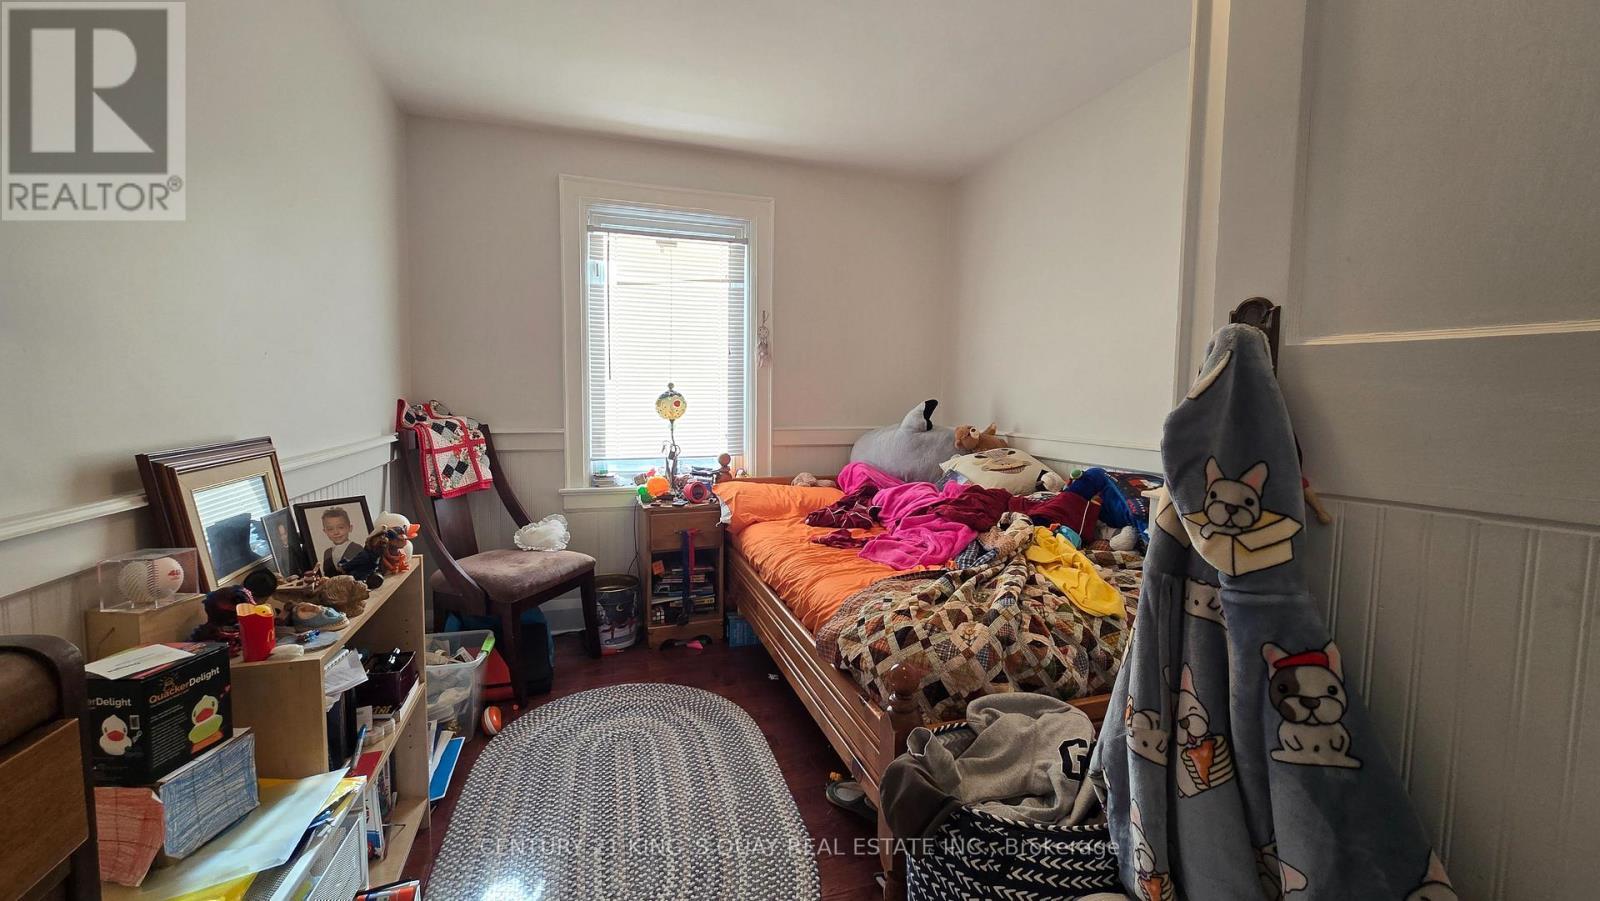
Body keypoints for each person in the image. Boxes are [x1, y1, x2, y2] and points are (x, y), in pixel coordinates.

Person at [320, 507, 363, 575]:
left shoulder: (357, 549)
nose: (336, 532)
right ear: (325, 531)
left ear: (350, 528)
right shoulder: (327, 553)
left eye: (341, 527)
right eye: (330, 529)